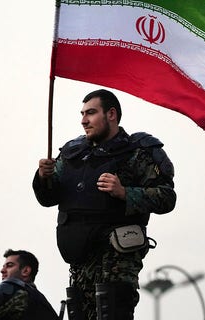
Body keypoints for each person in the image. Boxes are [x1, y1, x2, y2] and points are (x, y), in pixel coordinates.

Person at [32, 89, 177, 320]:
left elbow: (167, 198)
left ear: (111, 114)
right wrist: (43, 176)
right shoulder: (73, 154)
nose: (83, 120)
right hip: (80, 264)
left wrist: (125, 193)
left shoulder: (138, 152)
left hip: (116, 263)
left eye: (91, 113)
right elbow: (47, 198)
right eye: (82, 114)